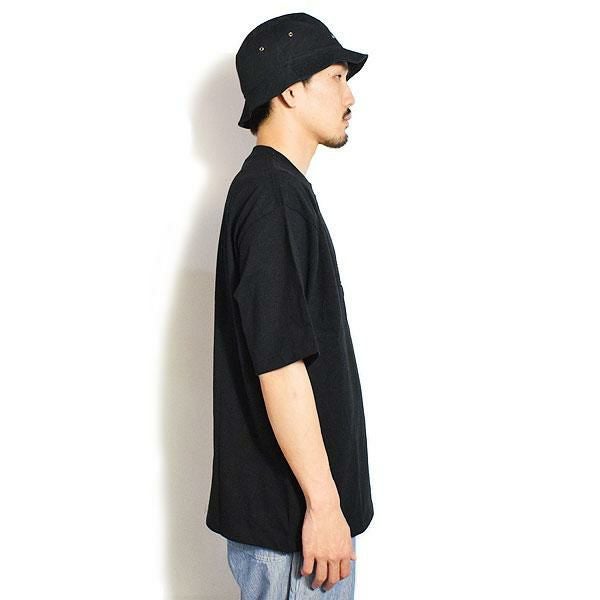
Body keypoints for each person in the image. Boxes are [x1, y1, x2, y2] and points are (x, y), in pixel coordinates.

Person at [205, 12, 373, 598]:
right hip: (296, 535)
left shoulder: (276, 191)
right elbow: (280, 365)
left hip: (296, 530)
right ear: (290, 90)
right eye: (336, 77)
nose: (350, 95)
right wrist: (324, 506)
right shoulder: (272, 198)